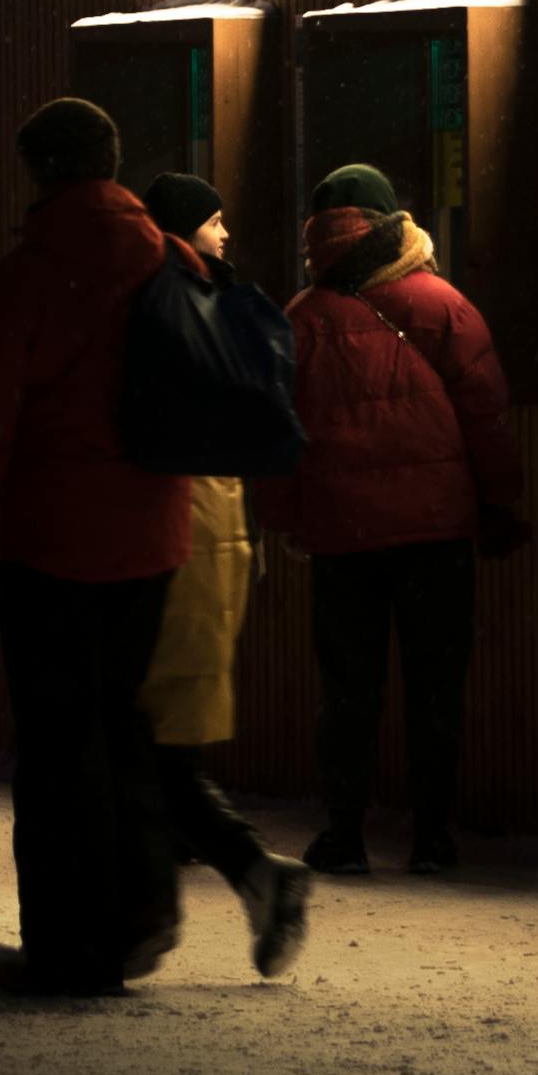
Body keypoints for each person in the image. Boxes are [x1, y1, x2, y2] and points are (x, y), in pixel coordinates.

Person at [0, 96, 197, 996]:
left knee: (54, 752)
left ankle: (66, 946)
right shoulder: (174, 258)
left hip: (51, 543)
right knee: (123, 727)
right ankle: (135, 913)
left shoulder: (22, 279)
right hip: (154, 536)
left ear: (37, 171)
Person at [279, 161, 529, 876]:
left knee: (348, 690)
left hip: (340, 537)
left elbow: (281, 432)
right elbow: (486, 416)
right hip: (435, 532)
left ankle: (344, 834)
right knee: (434, 687)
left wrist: (285, 517)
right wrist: (500, 500)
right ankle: (430, 837)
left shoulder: (302, 317)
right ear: (396, 223)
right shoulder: (442, 305)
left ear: (318, 233)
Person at [132, 172, 312, 977]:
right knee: (162, 745)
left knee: (148, 744)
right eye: (214, 220)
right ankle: (222, 884)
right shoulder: (227, 308)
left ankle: (216, 886)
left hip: (180, 539)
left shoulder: (170, 303)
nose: (227, 233)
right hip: (219, 538)